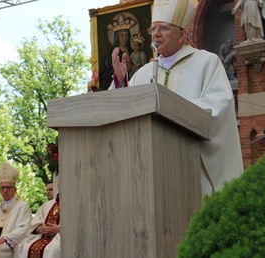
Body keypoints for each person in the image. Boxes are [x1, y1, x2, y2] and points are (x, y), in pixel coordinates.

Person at [110, 0, 243, 195]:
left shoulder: (206, 62)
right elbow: (123, 111)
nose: (156, 34)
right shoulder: (144, 72)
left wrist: (172, 110)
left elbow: (220, 104)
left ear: (182, 35)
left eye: (163, 28)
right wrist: (121, 83)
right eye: (153, 29)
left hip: (190, 163)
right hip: (150, 167)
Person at [15, 186, 60, 258]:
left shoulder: (74, 205)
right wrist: (40, 229)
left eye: (51, 189)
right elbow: (35, 222)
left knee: (52, 249)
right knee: (25, 247)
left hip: (61, 236)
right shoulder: (46, 205)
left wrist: (59, 229)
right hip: (42, 236)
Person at [99, 12, 137, 90]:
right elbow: (103, 74)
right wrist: (117, 71)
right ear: (117, 37)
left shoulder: (133, 51)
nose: (125, 38)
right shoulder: (112, 54)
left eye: (126, 35)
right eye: (122, 35)